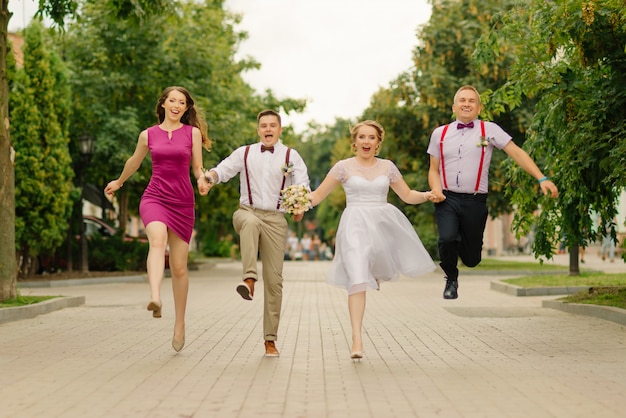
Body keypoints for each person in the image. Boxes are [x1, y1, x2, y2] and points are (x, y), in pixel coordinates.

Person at [308, 120, 436, 359]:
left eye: (371, 138)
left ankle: (373, 272)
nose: (366, 141)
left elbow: (407, 195)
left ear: (378, 143)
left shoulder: (387, 167)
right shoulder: (342, 167)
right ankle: (357, 337)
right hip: (354, 224)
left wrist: (428, 195)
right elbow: (317, 196)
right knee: (357, 275)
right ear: (354, 141)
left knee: (373, 261)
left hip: (382, 224)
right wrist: (296, 201)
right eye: (362, 137)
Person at [104, 86, 211, 352]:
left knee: (179, 268)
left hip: (183, 202)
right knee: (156, 240)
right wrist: (118, 182)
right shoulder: (148, 135)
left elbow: (197, 167)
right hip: (154, 197)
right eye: (172, 100)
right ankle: (154, 297)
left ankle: (180, 324)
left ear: (186, 109)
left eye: (182, 102)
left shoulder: (192, 133)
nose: (176, 105)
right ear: (163, 104)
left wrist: (203, 181)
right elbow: (134, 161)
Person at [427, 85, 559, 300]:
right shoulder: (439, 134)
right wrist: (435, 189)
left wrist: (541, 178)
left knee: (472, 259)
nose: (466, 104)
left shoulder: (489, 130)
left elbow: (516, 152)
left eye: (471, 101)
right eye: (462, 100)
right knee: (447, 239)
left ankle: (463, 242)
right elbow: (433, 170)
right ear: (454, 106)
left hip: (475, 201)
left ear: (478, 107)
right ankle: (451, 278)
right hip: (447, 198)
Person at [203, 109, 310, 357]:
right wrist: (208, 178)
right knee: (249, 223)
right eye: (264, 125)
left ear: (280, 129)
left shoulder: (291, 156)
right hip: (246, 212)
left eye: (273, 125)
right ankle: (249, 279)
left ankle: (270, 340)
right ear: (258, 129)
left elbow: (302, 185)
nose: (268, 129)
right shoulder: (245, 152)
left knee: (275, 282)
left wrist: (299, 207)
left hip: (276, 219)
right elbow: (223, 169)